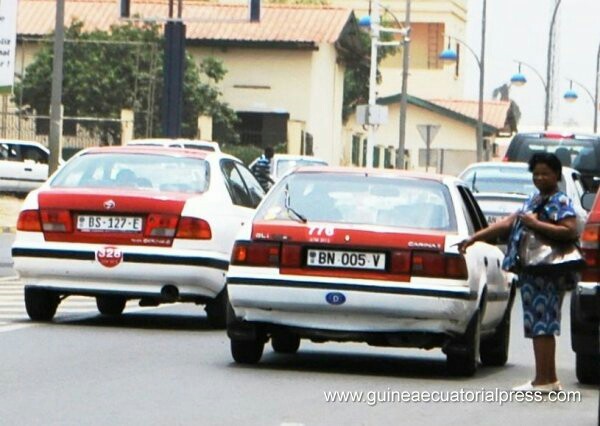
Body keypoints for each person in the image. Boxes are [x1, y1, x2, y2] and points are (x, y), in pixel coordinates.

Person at [457, 152, 579, 392]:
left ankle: (544, 381)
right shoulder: (534, 200)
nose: (540, 178)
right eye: (536, 174)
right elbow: (507, 223)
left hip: (546, 273)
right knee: (537, 326)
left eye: (545, 173)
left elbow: (569, 229)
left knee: (543, 326)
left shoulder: (560, 201)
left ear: (556, 175)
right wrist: (474, 238)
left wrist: (535, 224)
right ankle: (546, 379)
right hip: (531, 273)